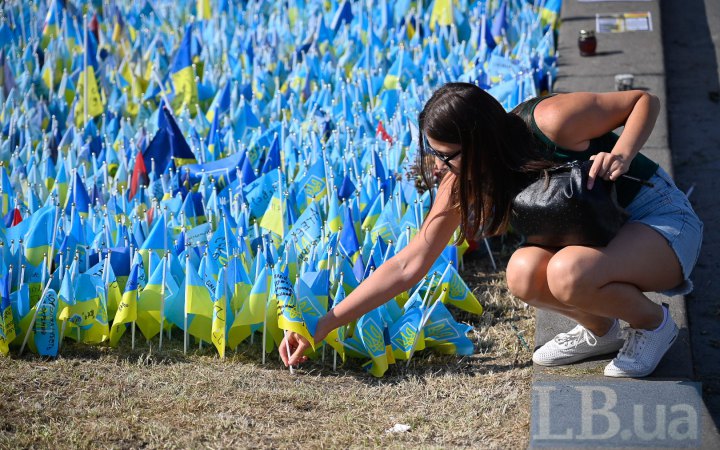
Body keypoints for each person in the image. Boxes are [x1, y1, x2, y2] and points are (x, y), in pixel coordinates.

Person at [279, 82, 703, 378]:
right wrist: (324, 325)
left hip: (659, 220)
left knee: (568, 273)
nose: (436, 165)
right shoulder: (461, 180)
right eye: (432, 151)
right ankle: (602, 331)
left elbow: (643, 101)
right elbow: (408, 265)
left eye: (445, 154)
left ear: (478, 141)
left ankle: (653, 325)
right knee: (522, 272)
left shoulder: (550, 121)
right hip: (600, 235)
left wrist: (623, 154)